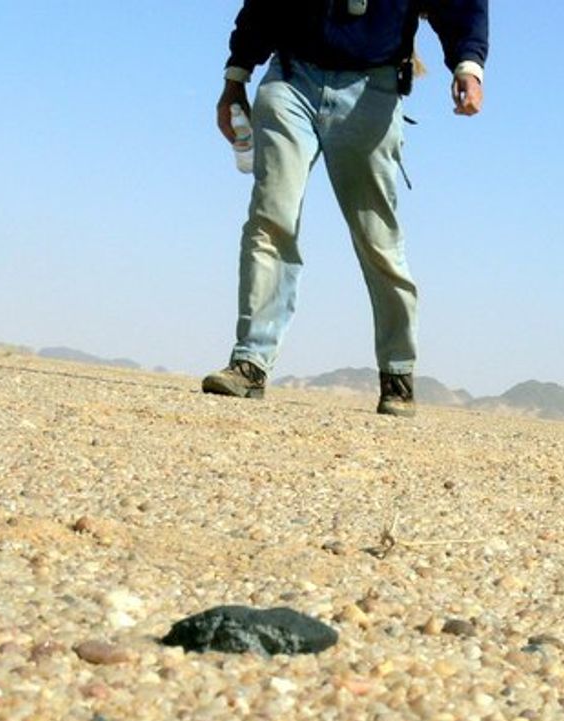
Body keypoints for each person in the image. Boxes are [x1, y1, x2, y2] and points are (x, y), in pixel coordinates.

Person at [203, 0, 489, 418]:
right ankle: (250, 362)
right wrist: (236, 78)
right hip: (290, 80)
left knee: (378, 240)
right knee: (270, 216)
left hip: (372, 90)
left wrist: (468, 66)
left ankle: (397, 371)